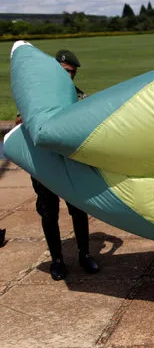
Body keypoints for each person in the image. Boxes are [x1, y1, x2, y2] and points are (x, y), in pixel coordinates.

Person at [15, 50, 100, 281]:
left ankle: (85, 255)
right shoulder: (36, 97)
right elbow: (19, 123)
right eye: (65, 71)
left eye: (72, 72)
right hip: (44, 165)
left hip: (70, 164)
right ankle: (58, 260)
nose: (69, 76)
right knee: (49, 212)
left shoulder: (79, 95)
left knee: (79, 209)